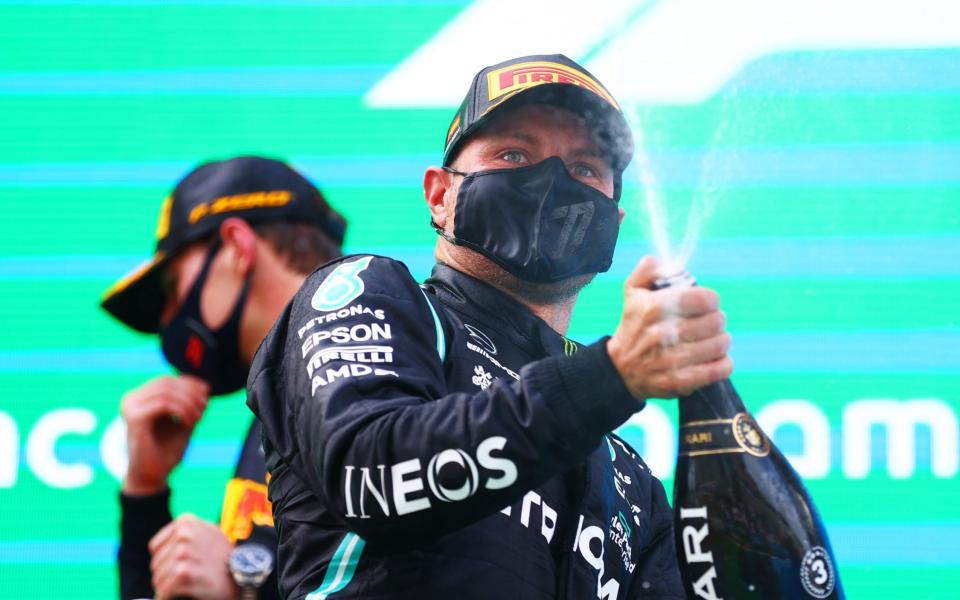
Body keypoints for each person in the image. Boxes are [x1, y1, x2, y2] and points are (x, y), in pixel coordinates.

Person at [248, 55, 732, 599]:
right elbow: (374, 476)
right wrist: (613, 376)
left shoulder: (629, 479)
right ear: (440, 195)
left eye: (584, 169)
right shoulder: (373, 294)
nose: (550, 182)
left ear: (613, 225)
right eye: (514, 153)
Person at [101, 156, 347, 600]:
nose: (171, 318)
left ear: (236, 246)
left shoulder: (367, 376)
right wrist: (145, 494)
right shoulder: (273, 402)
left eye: (173, 287)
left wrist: (245, 590)